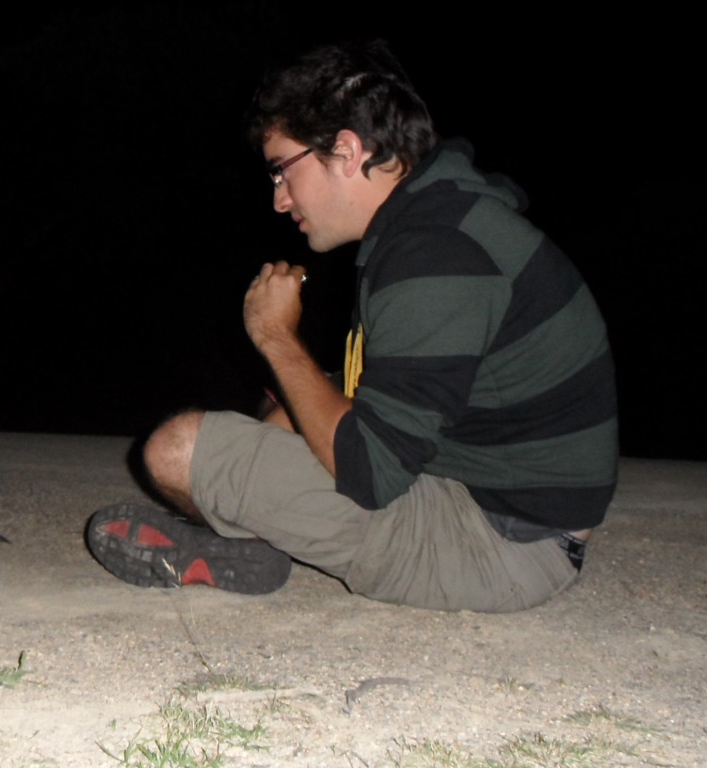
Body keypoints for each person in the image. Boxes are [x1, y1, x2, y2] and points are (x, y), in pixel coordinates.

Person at [86, 39, 618, 612]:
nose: (279, 199)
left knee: (176, 451)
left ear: (345, 150)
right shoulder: (436, 223)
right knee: (275, 423)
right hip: (485, 499)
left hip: (503, 547)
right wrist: (273, 426)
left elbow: (369, 471)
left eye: (281, 171)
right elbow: (374, 394)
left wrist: (275, 337)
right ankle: (248, 542)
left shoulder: (435, 255)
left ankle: (243, 540)